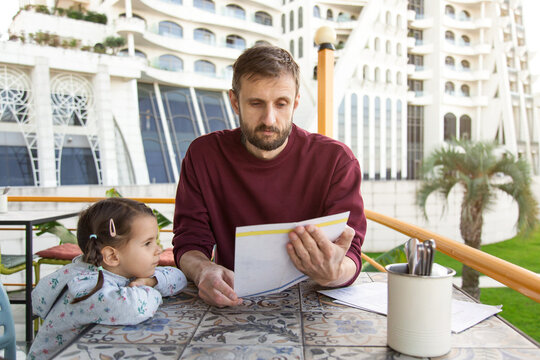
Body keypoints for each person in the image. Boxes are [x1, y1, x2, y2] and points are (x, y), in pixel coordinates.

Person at [173, 45, 366, 307]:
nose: (269, 119)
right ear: (234, 102)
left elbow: (351, 256)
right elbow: (189, 240)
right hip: (234, 299)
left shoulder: (336, 161)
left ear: (296, 102)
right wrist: (203, 270)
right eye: (256, 103)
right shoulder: (204, 155)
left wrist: (334, 273)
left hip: (313, 302)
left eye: (281, 104)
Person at [28, 198, 187, 360]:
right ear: (112, 256)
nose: (158, 249)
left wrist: (150, 281)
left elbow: (179, 277)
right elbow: (133, 309)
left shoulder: (117, 270)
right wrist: (151, 291)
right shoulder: (88, 288)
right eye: (148, 243)